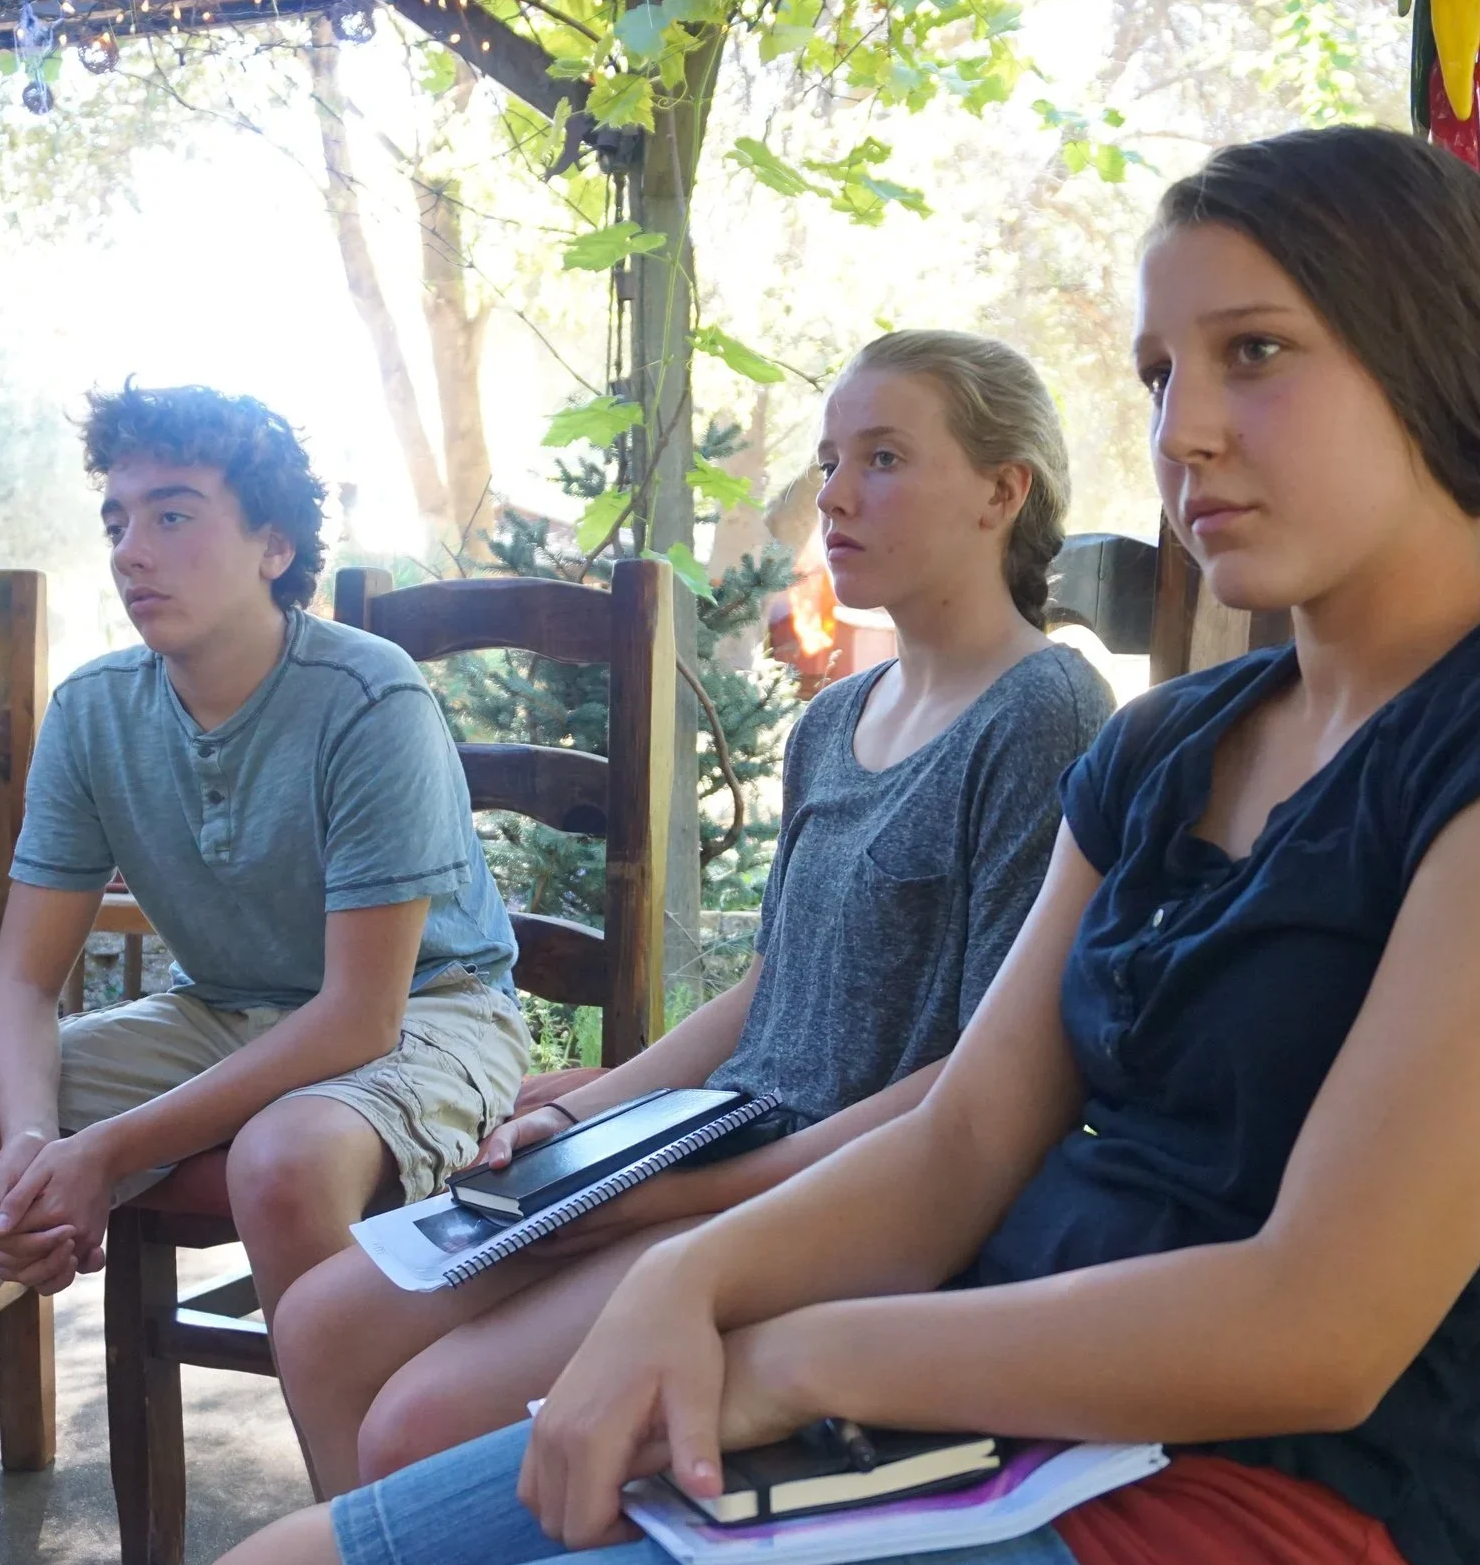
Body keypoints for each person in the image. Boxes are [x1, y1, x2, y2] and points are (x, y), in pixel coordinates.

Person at [161, 124, 1480, 1565]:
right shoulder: (1177, 744)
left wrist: (797, 1351)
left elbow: (1318, 1326)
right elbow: (968, 1133)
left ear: (1429, 358)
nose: (1183, 430)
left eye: (1254, 351)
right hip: (987, 1427)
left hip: (1267, 1523)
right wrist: (686, 1278)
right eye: (1161, 371)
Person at [273, 330, 1114, 1496]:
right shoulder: (836, 717)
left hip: (854, 1195)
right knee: (320, 1322)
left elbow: (987, 1076)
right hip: (711, 1138)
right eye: (828, 462)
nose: (832, 495)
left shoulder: (1045, 710)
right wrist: (582, 1113)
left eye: (881, 458)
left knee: (417, 1423)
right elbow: (775, 983)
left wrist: (673, 1200)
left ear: (1000, 491)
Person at [0, 384, 527, 1565]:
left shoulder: (367, 697)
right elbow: (17, 981)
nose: (130, 548)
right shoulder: (97, 709)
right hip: (217, 1009)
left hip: (426, 1016)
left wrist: (105, 1152)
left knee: (286, 1161)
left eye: (174, 514)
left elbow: (357, 1012)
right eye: (117, 515)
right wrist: (26, 1137)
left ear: (273, 546)